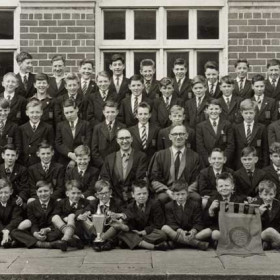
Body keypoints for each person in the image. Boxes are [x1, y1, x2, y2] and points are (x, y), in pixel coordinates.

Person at [149, 124, 202, 204]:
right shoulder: (160, 155)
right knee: (160, 199)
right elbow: (154, 179)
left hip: (187, 191)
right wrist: (167, 191)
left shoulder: (195, 156)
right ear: (170, 137)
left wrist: (185, 192)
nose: (178, 137)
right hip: (167, 191)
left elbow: (197, 179)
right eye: (175, 134)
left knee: (196, 198)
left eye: (181, 134)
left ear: (186, 136)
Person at [11, 181, 67, 251]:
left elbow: (54, 222)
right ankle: (47, 244)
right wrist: (35, 233)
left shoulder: (56, 203)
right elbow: (33, 223)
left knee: (58, 232)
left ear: (51, 191)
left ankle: (28, 242)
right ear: (37, 193)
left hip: (50, 232)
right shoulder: (31, 205)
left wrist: (47, 230)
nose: (43, 194)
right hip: (37, 231)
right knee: (14, 232)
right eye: (40, 191)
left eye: (46, 191)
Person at [99, 128, 147, 204]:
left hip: (134, 198)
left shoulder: (141, 157)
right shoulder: (109, 158)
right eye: (121, 138)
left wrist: (130, 195)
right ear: (117, 140)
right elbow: (105, 179)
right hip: (114, 198)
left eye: (127, 138)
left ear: (131, 139)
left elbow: (140, 179)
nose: (125, 141)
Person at [118, 180, 168, 250]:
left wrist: (143, 232)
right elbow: (131, 223)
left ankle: (134, 242)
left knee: (162, 234)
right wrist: (130, 228)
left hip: (149, 232)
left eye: (144, 193)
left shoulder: (155, 204)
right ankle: (151, 246)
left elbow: (158, 224)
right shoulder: (130, 206)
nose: (142, 196)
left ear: (148, 194)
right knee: (122, 233)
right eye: (139, 194)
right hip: (137, 232)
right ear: (133, 195)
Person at [77, 179, 126, 251]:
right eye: (101, 193)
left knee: (120, 221)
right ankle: (100, 240)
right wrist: (85, 214)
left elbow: (126, 214)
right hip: (96, 231)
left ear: (110, 192)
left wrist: (118, 215)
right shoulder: (93, 203)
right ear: (96, 195)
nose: (104, 196)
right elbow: (85, 211)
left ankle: (101, 240)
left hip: (110, 231)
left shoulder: (117, 203)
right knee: (83, 218)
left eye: (106, 192)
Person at [162, 180, 209, 250]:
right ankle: (196, 243)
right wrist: (181, 231)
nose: (180, 197)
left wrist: (193, 232)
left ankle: (178, 243)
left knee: (208, 231)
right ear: (173, 195)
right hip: (178, 232)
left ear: (187, 194)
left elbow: (198, 222)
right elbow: (171, 223)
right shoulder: (169, 206)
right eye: (177, 194)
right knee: (165, 228)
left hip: (192, 233)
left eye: (183, 194)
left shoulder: (195, 205)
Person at [202, 172, 245, 244]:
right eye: (221, 186)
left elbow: (243, 219)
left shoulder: (240, 200)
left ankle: (223, 242)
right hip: (219, 228)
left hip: (234, 228)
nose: (224, 188)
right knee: (215, 234)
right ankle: (224, 241)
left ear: (232, 186)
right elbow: (206, 221)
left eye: (227, 185)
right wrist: (211, 209)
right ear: (217, 188)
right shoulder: (212, 200)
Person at [196, 99, 234, 167]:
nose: (214, 111)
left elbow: (230, 145)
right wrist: (209, 161)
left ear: (220, 110)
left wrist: (222, 160)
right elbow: (200, 147)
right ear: (207, 110)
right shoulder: (200, 126)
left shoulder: (227, 124)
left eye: (216, 109)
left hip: (224, 163)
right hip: (207, 163)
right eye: (211, 109)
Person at [51, 180, 89, 250]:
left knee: (71, 216)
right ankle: (71, 238)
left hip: (78, 228)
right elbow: (55, 214)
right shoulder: (61, 202)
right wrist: (64, 218)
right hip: (63, 226)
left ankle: (65, 239)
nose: (76, 196)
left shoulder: (86, 202)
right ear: (67, 193)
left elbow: (85, 212)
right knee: (55, 217)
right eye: (73, 193)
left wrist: (76, 217)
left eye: (78, 193)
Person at [233, 98, 268, 169]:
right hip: (240, 165)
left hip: (257, 165)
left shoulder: (262, 128)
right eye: (246, 113)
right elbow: (234, 148)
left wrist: (264, 166)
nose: (248, 116)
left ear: (255, 112)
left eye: (251, 113)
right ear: (241, 113)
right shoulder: (235, 128)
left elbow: (265, 149)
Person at [55, 99, 91, 167]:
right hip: (64, 160)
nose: (69, 115)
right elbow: (58, 143)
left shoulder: (86, 124)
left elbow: (87, 143)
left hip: (81, 160)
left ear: (77, 109)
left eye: (71, 112)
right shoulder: (60, 125)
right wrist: (70, 154)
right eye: (66, 113)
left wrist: (75, 159)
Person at [91, 100, 125, 169]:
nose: (110, 114)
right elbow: (94, 150)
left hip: (118, 165)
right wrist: (103, 164)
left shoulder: (122, 127)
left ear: (117, 112)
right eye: (107, 112)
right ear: (103, 112)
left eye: (113, 112)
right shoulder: (97, 128)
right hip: (101, 165)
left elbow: (124, 147)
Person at [19, 99, 54, 167]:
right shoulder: (21, 128)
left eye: (37, 112)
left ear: (41, 112)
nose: (34, 115)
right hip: (25, 163)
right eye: (32, 112)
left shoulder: (48, 128)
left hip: (40, 164)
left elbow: (51, 147)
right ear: (27, 113)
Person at [255, 180, 280, 250]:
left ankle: (269, 244)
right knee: (269, 231)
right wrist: (258, 214)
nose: (268, 198)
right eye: (265, 195)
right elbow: (249, 224)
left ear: (275, 194)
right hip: (260, 234)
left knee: (273, 243)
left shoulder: (278, 204)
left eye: (271, 194)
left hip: (276, 235)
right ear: (260, 194)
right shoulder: (255, 204)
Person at [0, 178, 23, 248]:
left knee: (17, 231)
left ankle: (10, 240)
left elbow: (16, 219)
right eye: (0, 192)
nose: (3, 195)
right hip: (0, 228)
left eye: (6, 192)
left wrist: (7, 230)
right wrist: (4, 231)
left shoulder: (15, 202)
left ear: (11, 192)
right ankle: (8, 241)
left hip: (11, 228)